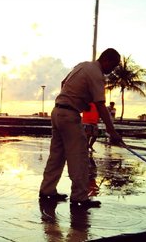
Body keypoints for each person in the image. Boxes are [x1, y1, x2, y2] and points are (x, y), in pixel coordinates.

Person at [39, 48, 122, 209]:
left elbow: (63, 82)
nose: (112, 71)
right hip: (70, 115)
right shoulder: (96, 74)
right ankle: (79, 197)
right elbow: (100, 105)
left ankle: (47, 190)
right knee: (79, 157)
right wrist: (112, 132)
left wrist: (76, 96)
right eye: (113, 66)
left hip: (57, 112)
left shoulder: (82, 66)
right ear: (107, 60)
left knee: (56, 156)